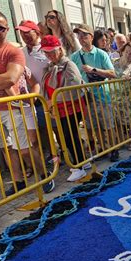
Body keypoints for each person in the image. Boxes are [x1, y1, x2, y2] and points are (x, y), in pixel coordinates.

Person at [0, 11, 54, 195]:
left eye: (0, 28)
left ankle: (45, 175)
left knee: (26, 148)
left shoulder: (13, 51)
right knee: (5, 149)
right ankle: (19, 182)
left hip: (14, 108)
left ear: (6, 30)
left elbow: (10, 79)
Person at [40, 35, 89, 182]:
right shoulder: (49, 67)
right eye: (46, 52)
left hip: (71, 107)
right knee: (69, 137)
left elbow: (74, 89)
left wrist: (53, 100)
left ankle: (79, 167)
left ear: (60, 50)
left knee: (69, 137)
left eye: (51, 51)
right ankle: (82, 162)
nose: (49, 55)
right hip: (58, 108)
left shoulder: (69, 65)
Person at [70, 24, 118, 162]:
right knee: (94, 125)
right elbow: (72, 77)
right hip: (86, 98)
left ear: (91, 37)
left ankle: (114, 149)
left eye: (84, 35)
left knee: (108, 125)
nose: (81, 38)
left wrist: (94, 70)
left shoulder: (101, 54)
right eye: (79, 35)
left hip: (103, 96)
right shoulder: (75, 57)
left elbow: (113, 73)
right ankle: (103, 148)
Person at [16, 20, 54, 162]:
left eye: (27, 32)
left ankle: (62, 152)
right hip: (31, 99)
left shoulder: (46, 49)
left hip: (49, 97)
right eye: (21, 33)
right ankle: (51, 154)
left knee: (55, 128)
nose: (24, 35)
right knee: (41, 129)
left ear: (37, 32)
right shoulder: (20, 53)